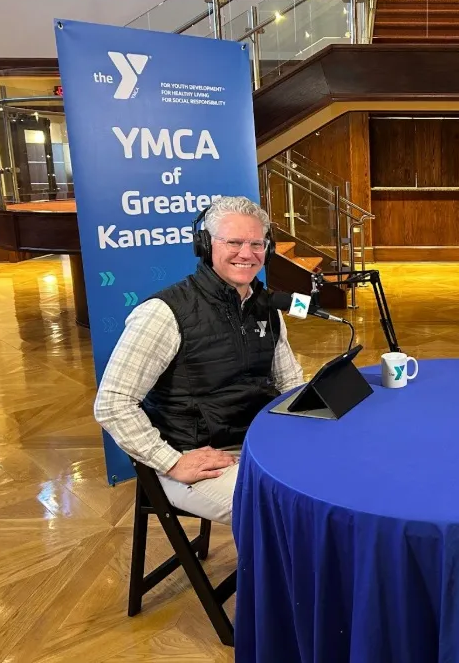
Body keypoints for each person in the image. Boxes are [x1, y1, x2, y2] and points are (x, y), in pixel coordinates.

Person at [94, 196, 303, 524]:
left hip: (260, 443)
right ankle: (275, 575)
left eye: (256, 243)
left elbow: (290, 382)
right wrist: (171, 462)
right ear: (206, 245)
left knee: (330, 485)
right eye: (233, 242)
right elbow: (112, 403)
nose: (246, 253)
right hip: (196, 457)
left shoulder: (265, 306)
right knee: (289, 512)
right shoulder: (163, 313)